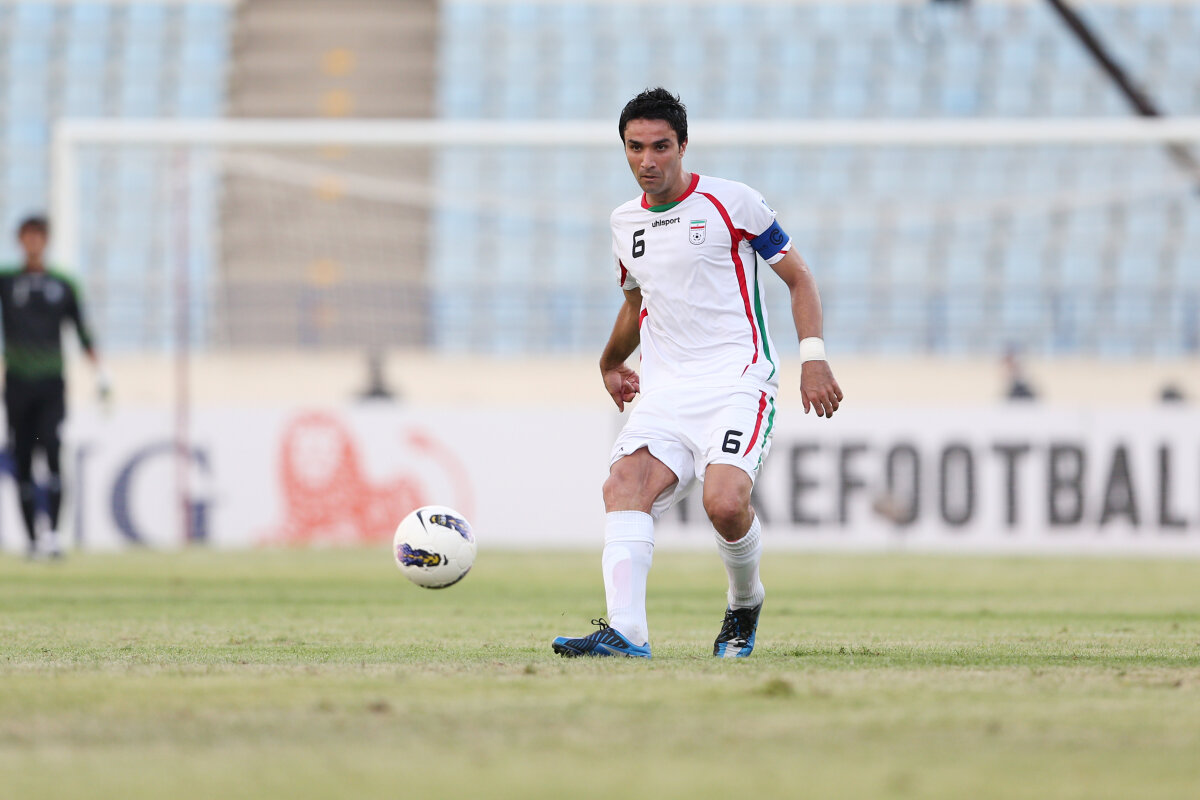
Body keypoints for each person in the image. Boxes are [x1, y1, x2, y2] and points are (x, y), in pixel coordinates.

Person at [552, 89, 843, 659]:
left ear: (683, 145)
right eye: (635, 147)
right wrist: (611, 361)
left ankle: (744, 603)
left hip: (737, 380)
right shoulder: (624, 223)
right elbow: (638, 301)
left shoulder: (733, 202)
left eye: (660, 146)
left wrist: (813, 357)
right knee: (622, 486)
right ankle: (628, 634)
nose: (647, 160)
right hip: (665, 391)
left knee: (726, 504)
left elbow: (799, 278)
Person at [0, 216, 107, 558]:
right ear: (20, 240)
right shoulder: (7, 280)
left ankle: (55, 535)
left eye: (38, 237)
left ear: (46, 241)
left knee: (51, 448)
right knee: (22, 457)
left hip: (50, 382)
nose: (33, 243)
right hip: (17, 381)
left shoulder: (63, 284)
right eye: (27, 236)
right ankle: (32, 539)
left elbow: (82, 330)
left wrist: (101, 374)